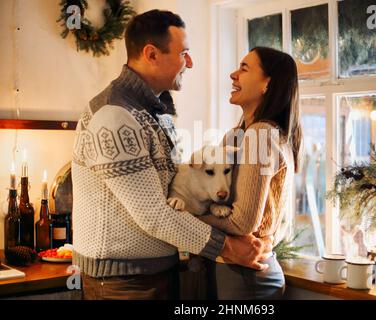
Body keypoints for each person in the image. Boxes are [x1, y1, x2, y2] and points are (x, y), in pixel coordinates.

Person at [71, 10, 271, 300]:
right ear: (151, 54)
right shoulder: (114, 117)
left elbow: (175, 193)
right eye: (184, 53)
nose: (190, 62)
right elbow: (154, 214)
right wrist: (227, 247)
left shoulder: (157, 114)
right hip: (121, 284)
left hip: (157, 273)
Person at [199, 47, 302, 300]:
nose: (233, 74)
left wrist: (184, 215)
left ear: (268, 83)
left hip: (247, 279)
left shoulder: (260, 134)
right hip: (236, 272)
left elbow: (242, 222)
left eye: (244, 68)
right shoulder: (240, 134)